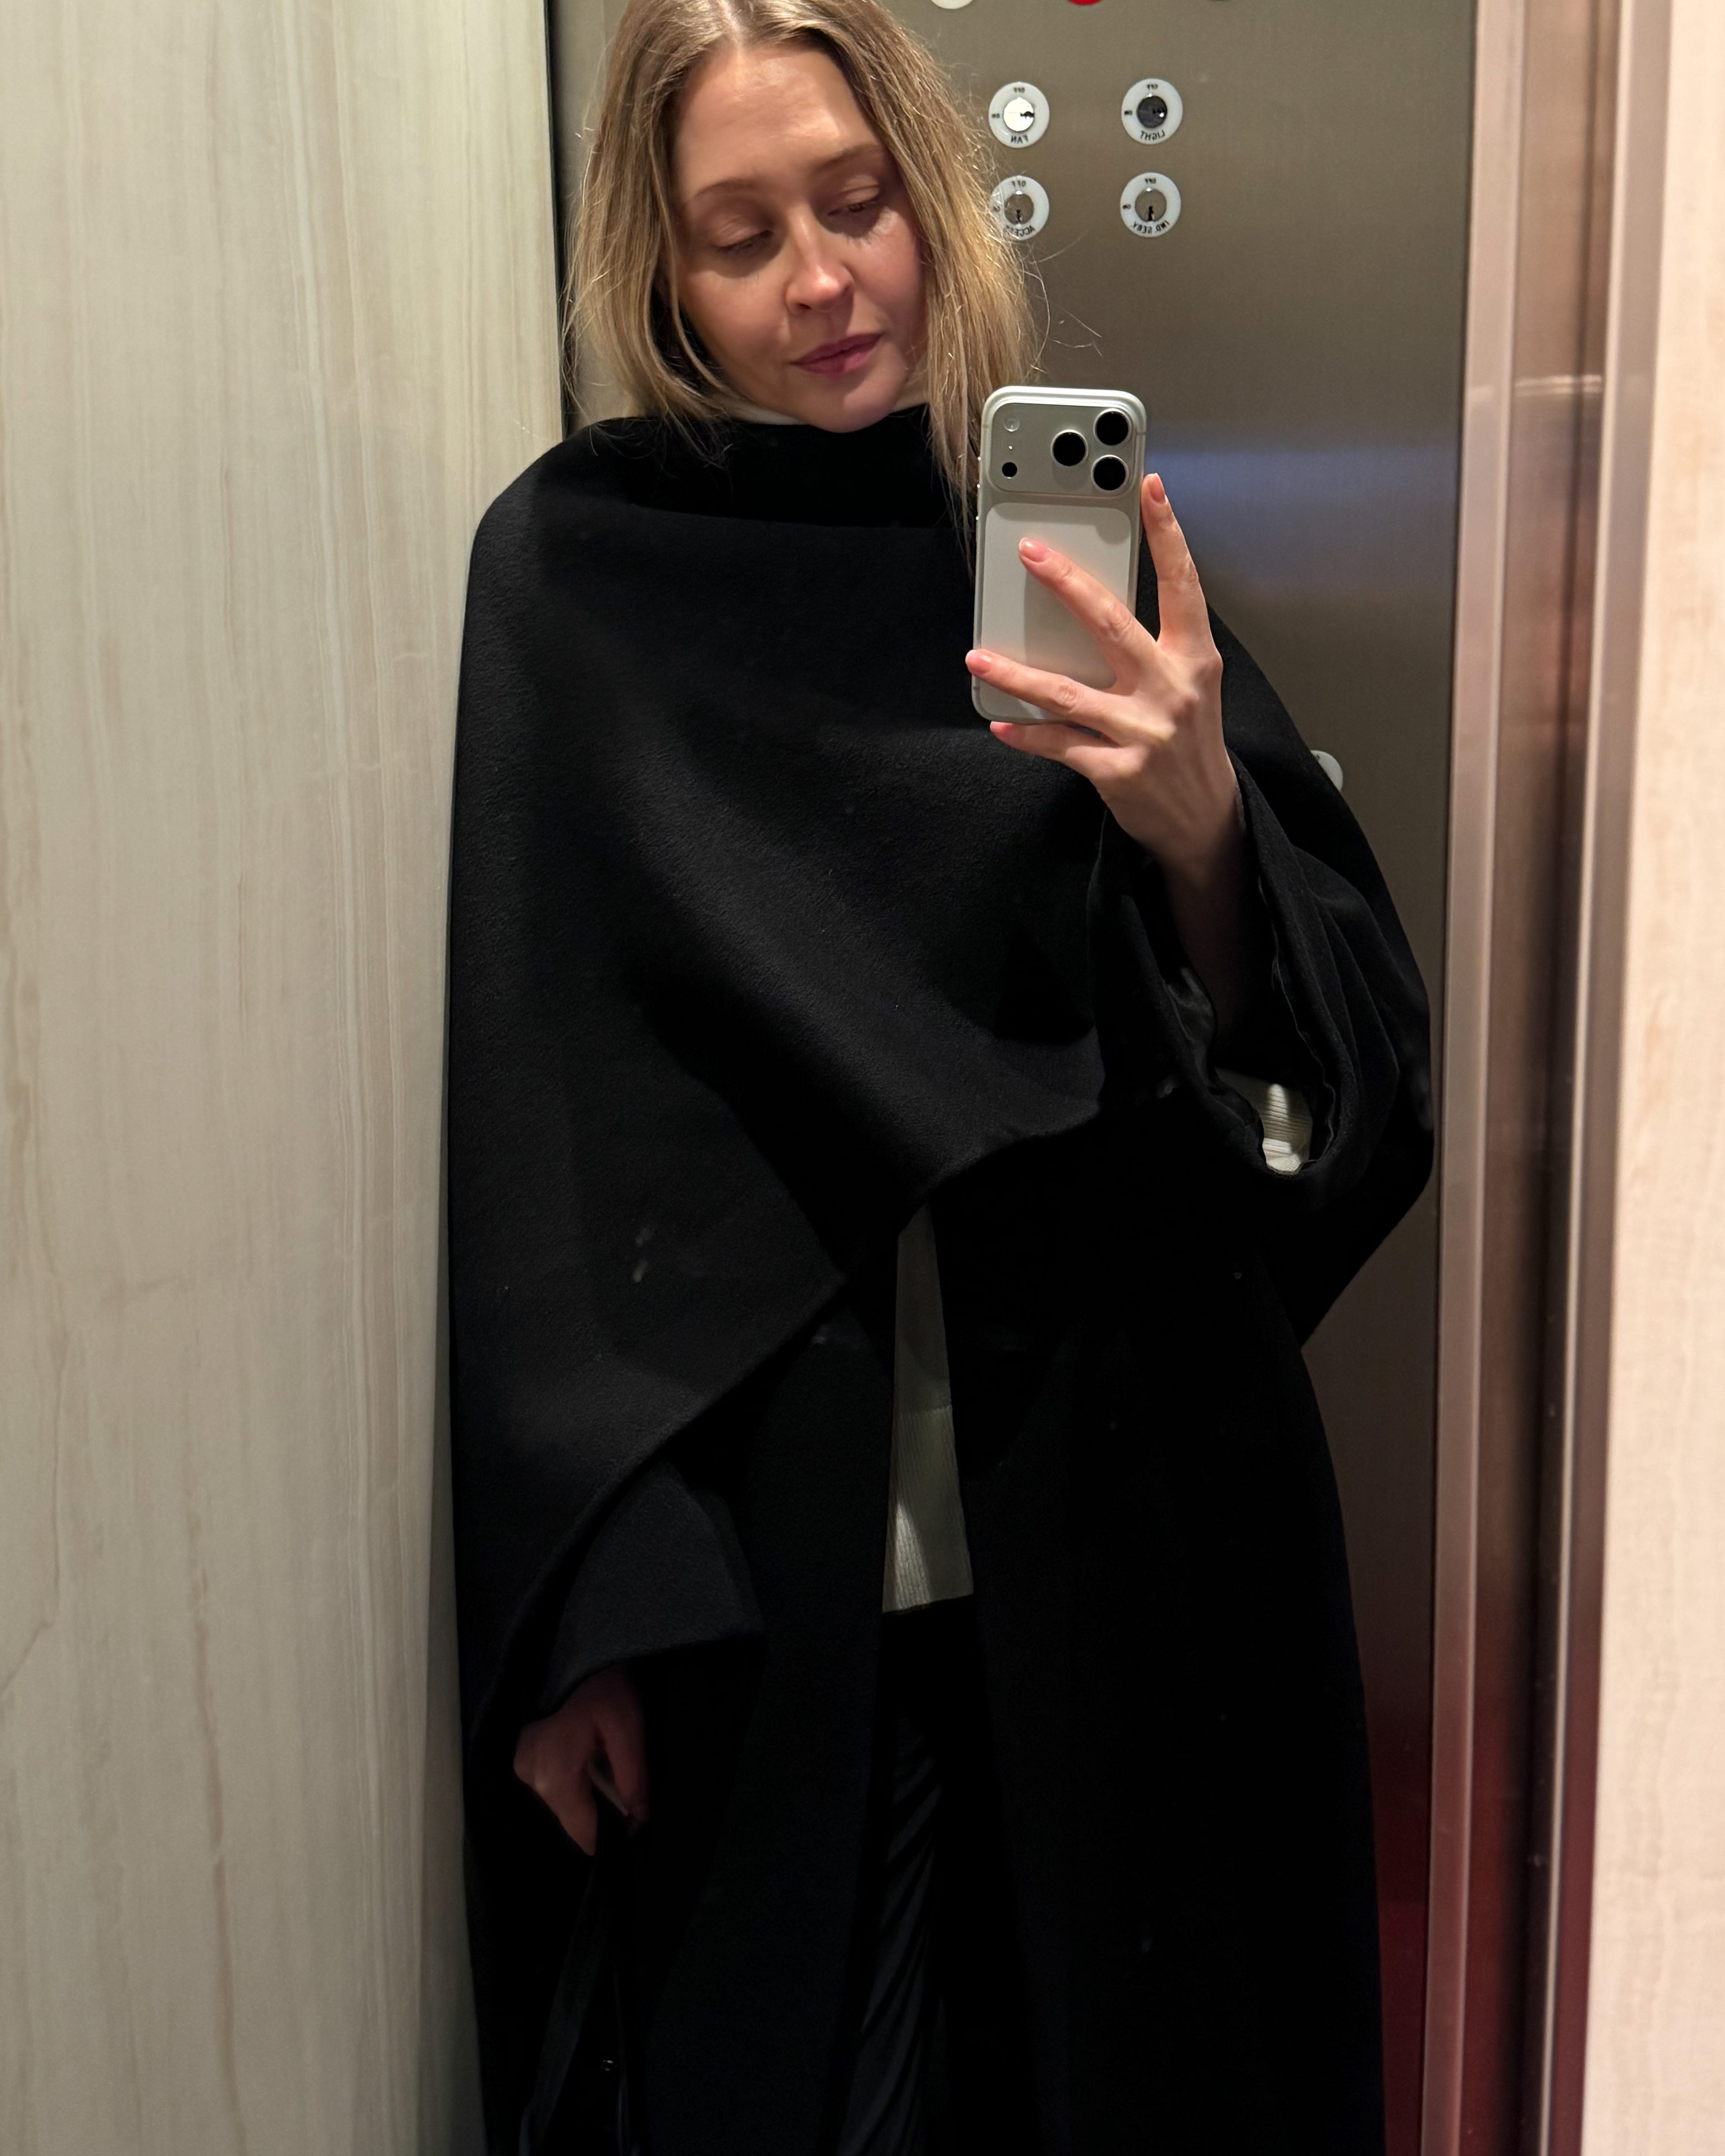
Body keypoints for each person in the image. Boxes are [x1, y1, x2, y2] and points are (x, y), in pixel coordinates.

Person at [445, 3, 1433, 2152]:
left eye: (857, 200)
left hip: (1130, 1541)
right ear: (658, 268)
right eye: (741, 234)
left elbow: (1344, 1069)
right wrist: (583, 1610)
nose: (820, 279)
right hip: (787, 1598)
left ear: (931, 199)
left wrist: (1199, 828)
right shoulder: (578, 581)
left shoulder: (1062, 549)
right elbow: (538, 1125)